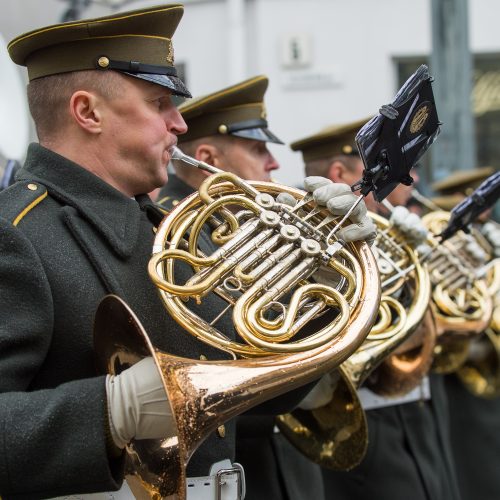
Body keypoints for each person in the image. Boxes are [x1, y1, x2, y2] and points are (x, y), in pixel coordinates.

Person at [0, 7, 376, 499]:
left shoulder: (172, 234)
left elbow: (249, 387)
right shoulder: (18, 233)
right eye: (159, 103)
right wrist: (111, 410)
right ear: (87, 112)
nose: (179, 123)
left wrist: (324, 284)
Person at [157, 75, 326, 500]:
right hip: (238, 456)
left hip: (272, 456)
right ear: (208, 156)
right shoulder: (172, 231)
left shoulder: (245, 222)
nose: (272, 163)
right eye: (257, 149)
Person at [290, 120, 462, 500]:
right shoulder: (312, 238)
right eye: (397, 170)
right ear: (341, 173)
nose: (409, 179)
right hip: (365, 423)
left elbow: (424, 329)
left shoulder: (389, 234)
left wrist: (422, 268)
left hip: (414, 411)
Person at [430, 167, 500, 500]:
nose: (485, 205)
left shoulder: (489, 233)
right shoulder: (444, 233)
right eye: (477, 196)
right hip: (458, 370)